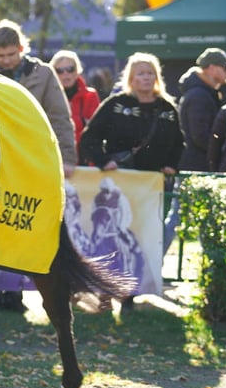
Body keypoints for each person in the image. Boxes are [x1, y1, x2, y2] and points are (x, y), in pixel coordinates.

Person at [0, 19, 76, 314]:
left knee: (26, 224)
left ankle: (18, 291)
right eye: (0, 55)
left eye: (11, 54)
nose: (6, 61)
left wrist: (67, 158)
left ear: (22, 48)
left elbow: (60, 117)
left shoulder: (43, 74)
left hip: (34, 161)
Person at [79, 52, 184, 313]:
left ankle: (129, 295)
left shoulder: (167, 109)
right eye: (140, 73)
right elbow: (90, 138)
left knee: (140, 240)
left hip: (150, 188)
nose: (146, 78)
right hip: (118, 184)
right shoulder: (116, 104)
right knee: (112, 236)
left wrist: (171, 164)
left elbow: (178, 143)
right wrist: (104, 161)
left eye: (150, 73)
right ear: (130, 78)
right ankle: (104, 290)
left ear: (157, 77)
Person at [177, 47, 226, 172]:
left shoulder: (203, 93)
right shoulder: (199, 95)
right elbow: (200, 136)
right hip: (197, 167)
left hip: (198, 164)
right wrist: (220, 153)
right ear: (212, 68)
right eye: (225, 67)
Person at [50, 49, 100, 156]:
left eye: (70, 69)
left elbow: (96, 128)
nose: (65, 74)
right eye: (59, 71)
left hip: (84, 156)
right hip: (56, 154)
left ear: (77, 71)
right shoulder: (48, 97)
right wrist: (81, 121)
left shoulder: (90, 95)